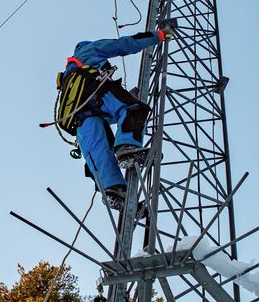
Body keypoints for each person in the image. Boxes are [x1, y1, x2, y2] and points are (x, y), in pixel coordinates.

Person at [56, 26, 174, 210]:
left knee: (99, 150)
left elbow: (105, 111)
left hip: (79, 118)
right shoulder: (89, 50)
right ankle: (127, 147)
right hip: (95, 93)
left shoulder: (67, 77)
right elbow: (121, 44)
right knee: (134, 109)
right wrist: (157, 36)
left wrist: (127, 96)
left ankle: (114, 190)